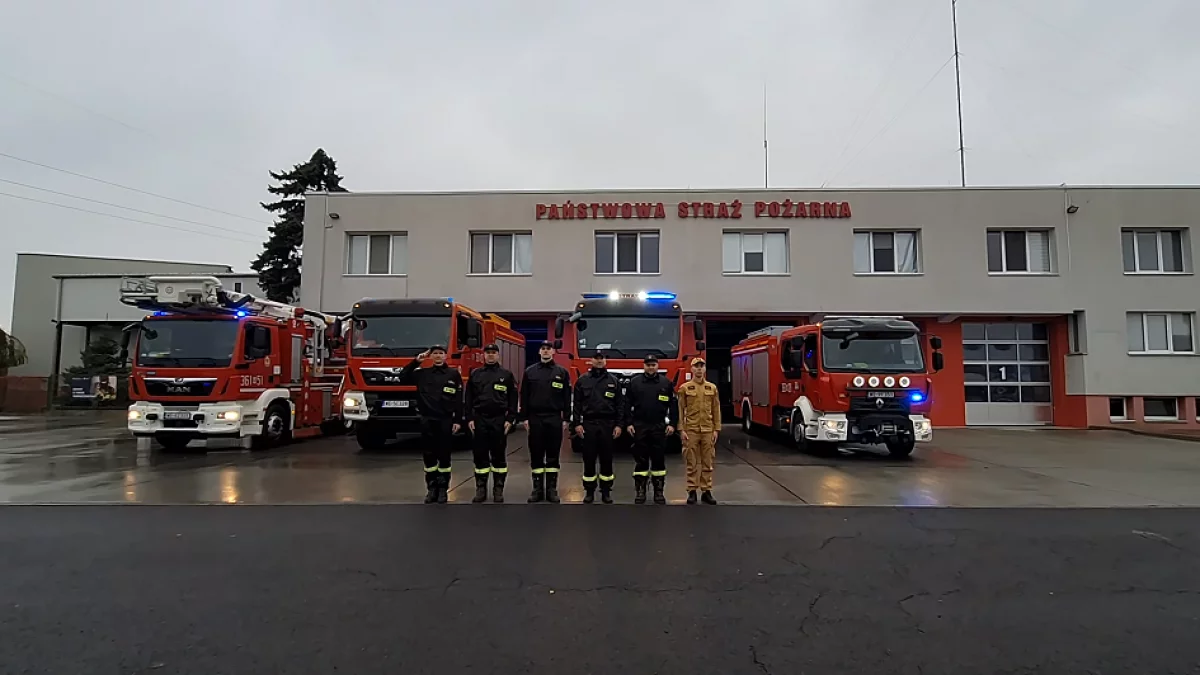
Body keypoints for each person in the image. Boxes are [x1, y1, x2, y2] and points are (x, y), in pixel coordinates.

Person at [398, 345, 464, 504]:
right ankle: (431, 489)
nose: (438, 356)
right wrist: (416, 361)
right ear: (431, 356)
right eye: (435, 354)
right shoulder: (422, 374)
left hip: (445, 420)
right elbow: (402, 377)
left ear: (445, 356)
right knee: (429, 456)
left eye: (441, 353)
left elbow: (458, 399)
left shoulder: (453, 374)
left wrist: (458, 420)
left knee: (444, 456)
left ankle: (443, 490)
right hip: (427, 419)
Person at [465, 343, 518, 503]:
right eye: (488, 353)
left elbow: (513, 399)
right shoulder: (475, 374)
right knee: (480, 456)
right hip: (480, 419)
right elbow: (468, 399)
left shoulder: (506, 375)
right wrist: (469, 418)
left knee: (499, 456)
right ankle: (481, 489)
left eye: (493, 353)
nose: (490, 355)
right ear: (483, 355)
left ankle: (498, 489)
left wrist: (510, 419)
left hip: (499, 420)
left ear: (498, 355)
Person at [518, 341, 571, 503]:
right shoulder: (530, 372)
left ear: (553, 352)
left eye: (549, 349)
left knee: (553, 455)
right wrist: (524, 418)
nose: (546, 351)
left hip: (554, 418)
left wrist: (566, 419)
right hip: (535, 418)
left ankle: (551, 490)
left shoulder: (561, 372)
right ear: (539, 352)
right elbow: (524, 395)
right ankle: (537, 489)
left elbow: (567, 397)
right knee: (536, 454)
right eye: (543, 349)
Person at [571, 350, 624, 503]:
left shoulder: (614, 381)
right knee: (589, 459)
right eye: (596, 358)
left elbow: (620, 405)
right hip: (589, 424)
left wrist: (619, 425)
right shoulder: (583, 380)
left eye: (602, 358)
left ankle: (606, 491)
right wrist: (577, 424)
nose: (599, 361)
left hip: (608, 425)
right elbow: (577, 405)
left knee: (607, 459)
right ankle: (589, 491)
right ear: (591, 361)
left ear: (605, 361)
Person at [624, 354, 678, 504]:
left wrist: (673, 424)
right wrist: (628, 423)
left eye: (653, 364)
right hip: (639, 426)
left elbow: (673, 406)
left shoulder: (666, 383)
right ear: (644, 366)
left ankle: (658, 492)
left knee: (658, 461)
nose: (650, 367)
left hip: (659, 426)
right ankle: (640, 491)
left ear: (657, 366)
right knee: (640, 461)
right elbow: (626, 405)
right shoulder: (634, 383)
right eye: (648, 364)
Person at [677, 356, 720, 505]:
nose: (699, 369)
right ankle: (692, 490)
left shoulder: (712, 388)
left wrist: (717, 429)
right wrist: (681, 429)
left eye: (702, 366)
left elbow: (716, 409)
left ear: (705, 369)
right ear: (692, 369)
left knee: (708, 461)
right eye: (696, 366)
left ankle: (706, 490)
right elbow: (680, 410)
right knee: (691, 461)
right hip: (691, 430)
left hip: (708, 429)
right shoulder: (685, 388)